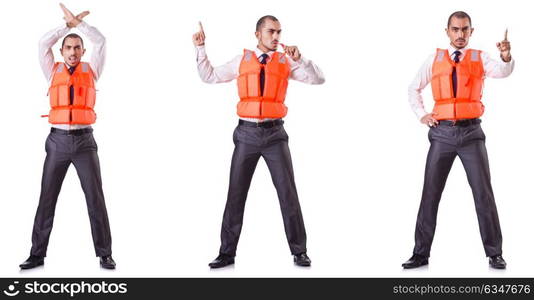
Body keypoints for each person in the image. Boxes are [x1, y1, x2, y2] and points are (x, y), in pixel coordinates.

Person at [192, 15, 325, 268]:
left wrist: (301, 59)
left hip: (275, 136)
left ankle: (299, 251)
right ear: (258, 34)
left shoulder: (287, 61)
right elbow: (209, 76)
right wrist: (200, 48)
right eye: (271, 32)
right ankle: (227, 253)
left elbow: (319, 78)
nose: (276, 37)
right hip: (246, 135)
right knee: (236, 193)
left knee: (288, 193)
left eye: (279, 32)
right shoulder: (241, 61)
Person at [403, 11, 513, 269]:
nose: (460, 34)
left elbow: (503, 71)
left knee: (483, 193)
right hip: (441, 134)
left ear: (471, 32)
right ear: (447, 31)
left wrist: (506, 56)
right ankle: (420, 253)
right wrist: (422, 115)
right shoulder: (434, 59)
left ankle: (494, 253)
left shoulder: (480, 58)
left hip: (472, 135)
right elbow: (413, 88)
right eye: (455, 29)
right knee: (430, 193)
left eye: (465, 29)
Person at [19, 4, 115, 270]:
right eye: (68, 48)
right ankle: (37, 254)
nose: (73, 52)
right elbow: (42, 42)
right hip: (57, 142)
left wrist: (80, 25)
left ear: (82, 52)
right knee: (46, 197)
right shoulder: (52, 70)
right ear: (61, 52)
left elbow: (101, 40)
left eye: (77, 48)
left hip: (85, 143)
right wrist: (67, 26)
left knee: (95, 197)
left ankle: (104, 253)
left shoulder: (93, 69)